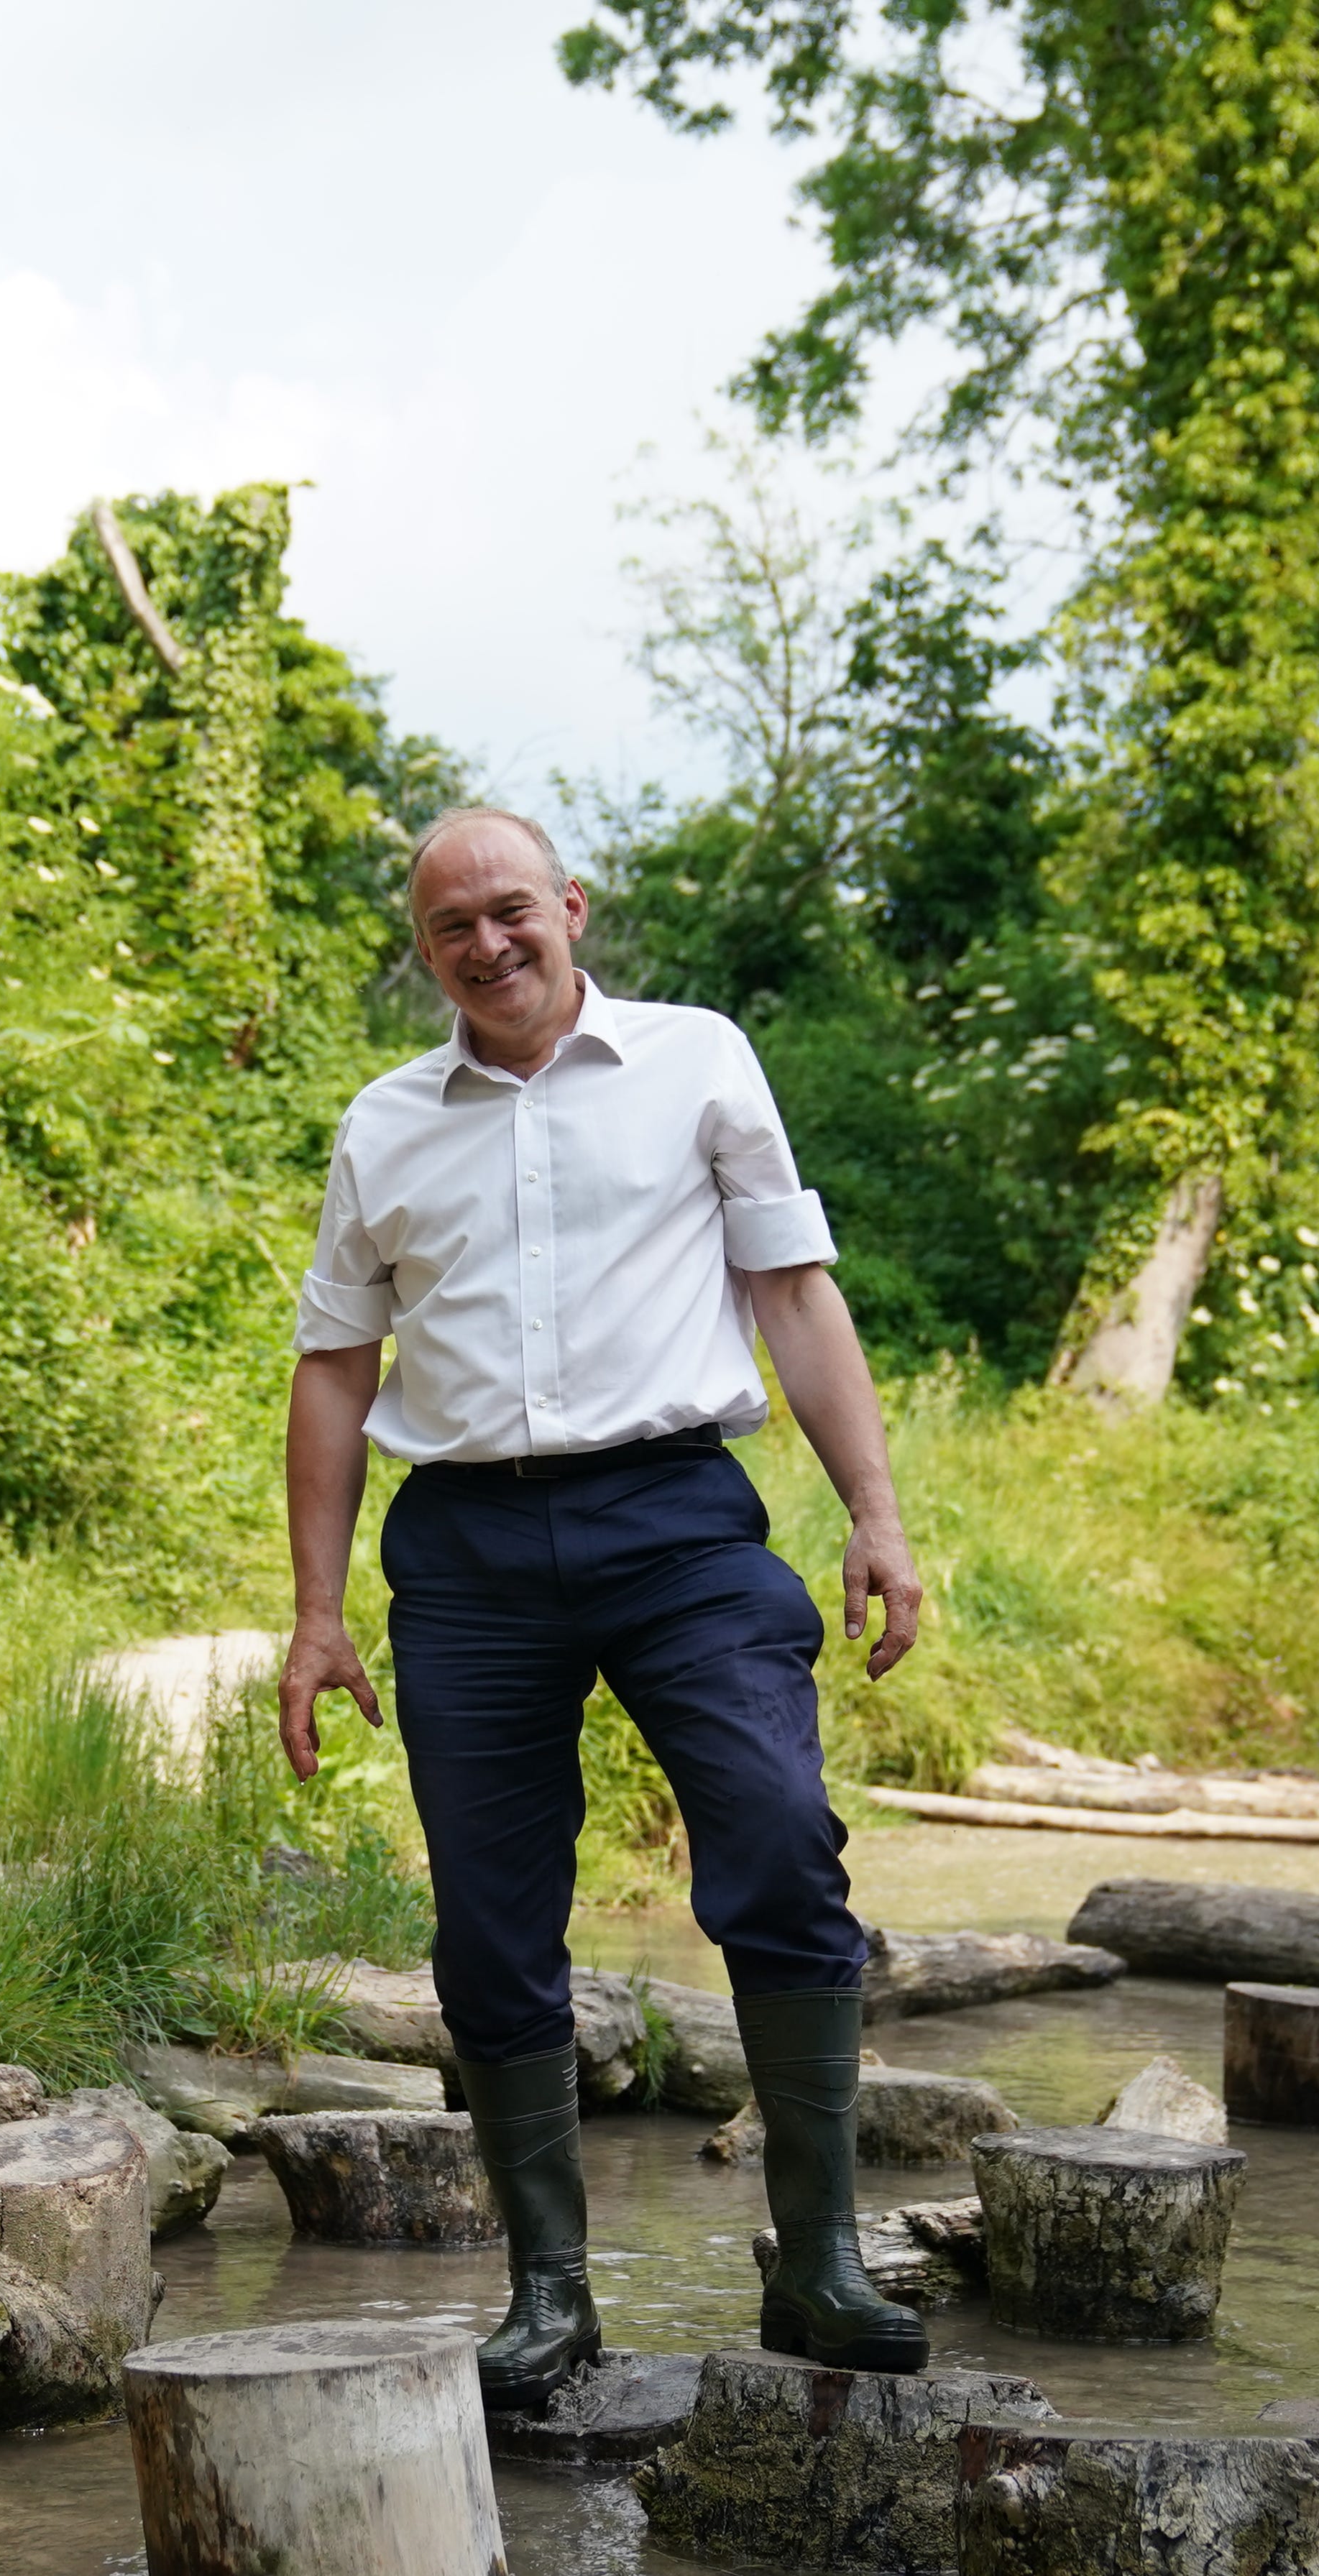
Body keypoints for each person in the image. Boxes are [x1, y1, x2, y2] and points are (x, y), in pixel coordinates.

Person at [275, 802, 932, 2409]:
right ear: (423, 952)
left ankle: (821, 2262)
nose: (489, 944)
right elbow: (335, 1365)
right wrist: (316, 1610)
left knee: (779, 1833)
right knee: (492, 1924)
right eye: (452, 928)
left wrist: (876, 1515)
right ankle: (551, 2292)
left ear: (571, 905)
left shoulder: (699, 1058)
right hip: (470, 1555)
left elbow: (792, 1287)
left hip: (681, 1524)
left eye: (512, 910)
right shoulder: (385, 1123)